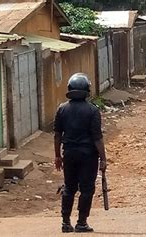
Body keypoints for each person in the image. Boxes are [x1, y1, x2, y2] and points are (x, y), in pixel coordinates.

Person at [54, 73, 107, 233]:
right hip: (88, 156)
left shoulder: (62, 109)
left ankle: (65, 222)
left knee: (69, 187)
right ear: (87, 90)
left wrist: (57, 156)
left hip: (69, 154)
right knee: (87, 188)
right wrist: (103, 159)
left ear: (70, 89)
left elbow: (57, 135)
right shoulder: (92, 111)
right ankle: (81, 222)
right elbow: (97, 138)